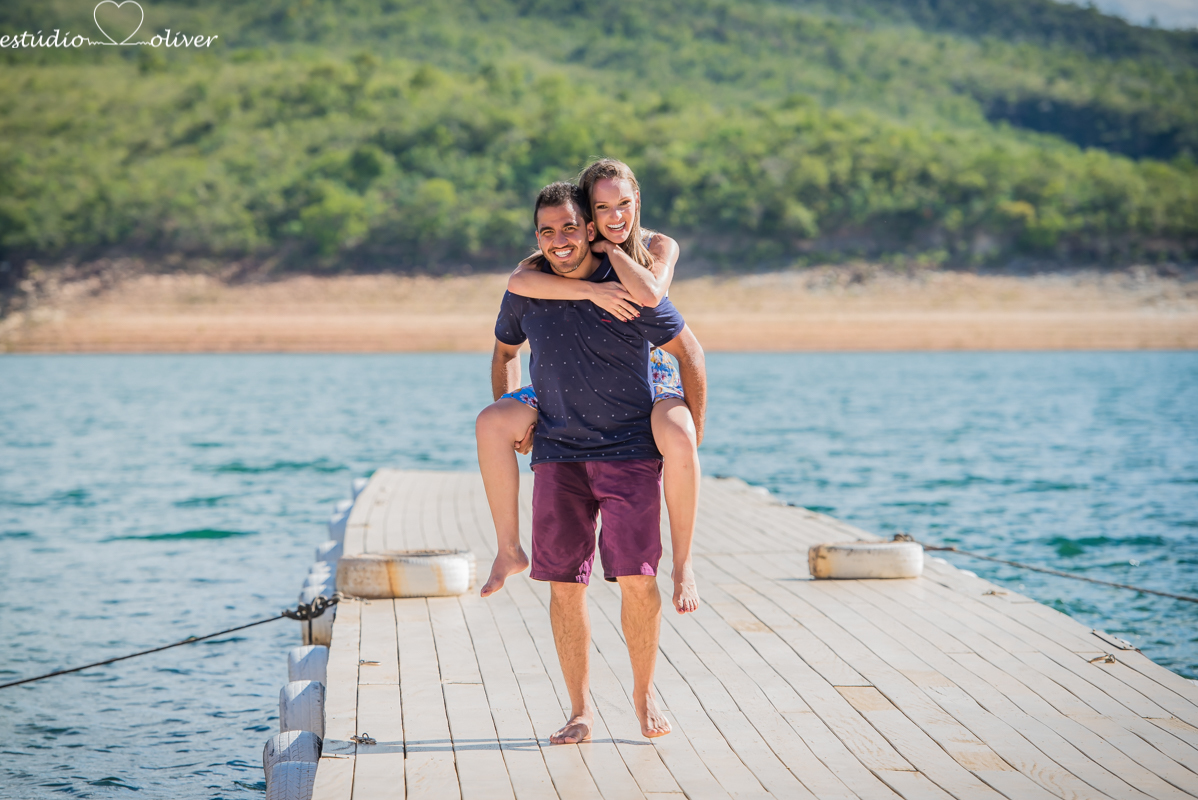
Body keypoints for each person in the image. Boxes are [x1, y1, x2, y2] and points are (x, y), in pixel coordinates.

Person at [484, 181, 706, 743]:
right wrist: (513, 412)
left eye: (569, 226)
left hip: (629, 451)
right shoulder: (527, 289)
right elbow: (506, 349)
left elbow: (689, 352)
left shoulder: (626, 285)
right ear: (536, 237)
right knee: (564, 587)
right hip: (558, 453)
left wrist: (694, 436)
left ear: (591, 229)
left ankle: (642, 694)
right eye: (545, 230)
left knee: (636, 580)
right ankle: (580, 710)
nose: (559, 239)